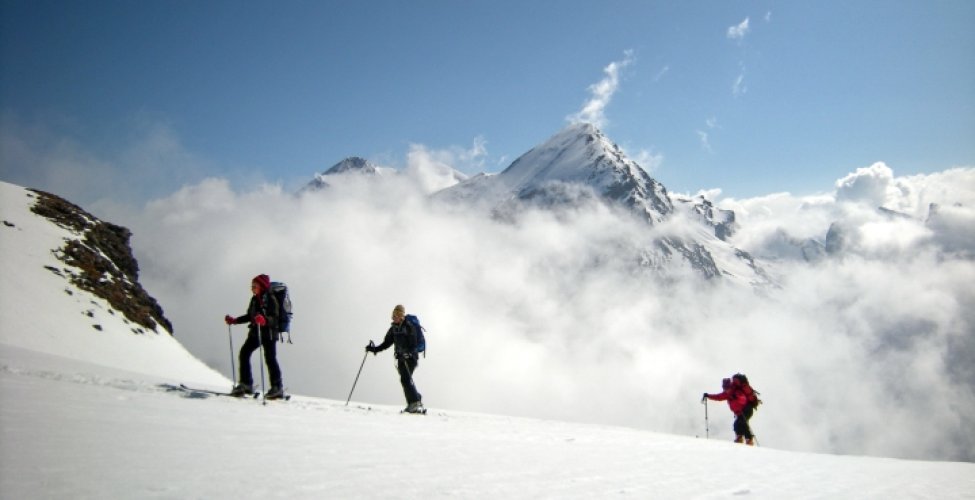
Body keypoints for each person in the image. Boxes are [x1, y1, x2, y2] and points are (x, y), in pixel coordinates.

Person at [224, 274, 285, 399]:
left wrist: (264, 320)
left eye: (254, 286)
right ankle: (247, 384)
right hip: (256, 332)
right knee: (245, 353)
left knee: (269, 359)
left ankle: (276, 387)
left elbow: (275, 318)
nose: (252, 288)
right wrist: (235, 320)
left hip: (269, 333)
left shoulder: (271, 298)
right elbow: (249, 316)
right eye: (252, 286)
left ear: (261, 286)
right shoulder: (254, 299)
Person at [366, 304, 424, 413]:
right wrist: (374, 349)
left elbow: (413, 344)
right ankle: (416, 399)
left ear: (401, 316)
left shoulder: (409, 326)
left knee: (405, 379)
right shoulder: (393, 329)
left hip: (411, 358)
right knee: (405, 380)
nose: (394, 318)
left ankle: (415, 403)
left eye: (396, 316)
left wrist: (408, 354)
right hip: (401, 359)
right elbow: (386, 343)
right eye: (393, 316)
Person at [703, 374, 758, 445]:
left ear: (730, 386)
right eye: (725, 388)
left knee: (742, 423)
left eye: (727, 388)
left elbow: (743, 399)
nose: (726, 390)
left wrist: (735, 397)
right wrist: (708, 395)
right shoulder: (726, 394)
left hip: (746, 409)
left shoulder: (736, 391)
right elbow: (718, 397)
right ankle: (739, 438)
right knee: (736, 424)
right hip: (739, 412)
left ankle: (749, 439)